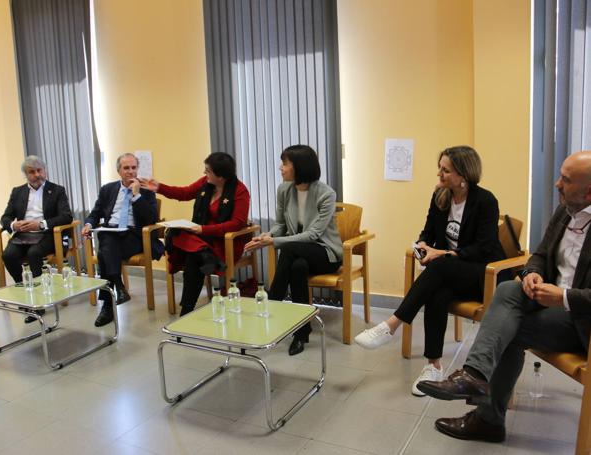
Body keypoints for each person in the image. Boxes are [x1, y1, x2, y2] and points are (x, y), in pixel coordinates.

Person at [416, 150, 591, 443]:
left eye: (566, 179)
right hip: (547, 301)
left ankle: (487, 417)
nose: (556, 184)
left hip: (580, 319)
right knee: (509, 288)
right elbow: (540, 254)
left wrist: (562, 296)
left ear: (589, 191)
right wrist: (533, 273)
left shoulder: (484, 200)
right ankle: (474, 380)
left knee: (508, 328)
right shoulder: (564, 211)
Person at [353, 146, 507, 396]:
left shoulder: (485, 201)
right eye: (440, 168)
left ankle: (391, 325)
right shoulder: (441, 196)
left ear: (463, 175)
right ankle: (433, 365)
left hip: (483, 274)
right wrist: (423, 247)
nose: (440, 174)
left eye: (446, 170)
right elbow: (428, 232)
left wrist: (445, 254)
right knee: (437, 294)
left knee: (441, 265)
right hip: (449, 272)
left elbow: (484, 248)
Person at [244, 145, 342, 356]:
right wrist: (269, 235)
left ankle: (270, 304)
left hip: (325, 253)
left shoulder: (326, 194)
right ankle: (301, 333)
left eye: (285, 163)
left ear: (300, 167)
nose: (281, 168)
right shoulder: (284, 190)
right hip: (298, 253)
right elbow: (280, 224)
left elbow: (314, 235)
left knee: (289, 250)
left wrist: (274, 242)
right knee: (297, 266)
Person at [139, 152, 250, 316]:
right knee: (177, 234)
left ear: (221, 176)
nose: (204, 174)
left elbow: (237, 223)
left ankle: (187, 308)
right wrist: (159, 187)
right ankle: (204, 256)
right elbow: (184, 193)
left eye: (208, 171)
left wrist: (204, 230)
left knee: (191, 254)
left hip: (223, 240)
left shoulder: (240, 191)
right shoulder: (205, 183)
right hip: (200, 238)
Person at [82, 153, 162, 327]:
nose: (131, 171)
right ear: (118, 170)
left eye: (134, 167)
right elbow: (95, 213)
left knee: (104, 250)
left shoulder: (146, 190)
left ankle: (108, 304)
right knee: (107, 242)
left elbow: (152, 219)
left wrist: (136, 195)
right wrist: (88, 224)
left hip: (134, 236)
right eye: (126, 168)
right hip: (112, 233)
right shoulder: (107, 189)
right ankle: (118, 287)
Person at [0, 155, 72, 323]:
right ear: (26, 174)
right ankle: (26, 290)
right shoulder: (17, 192)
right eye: (32, 172)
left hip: (46, 234)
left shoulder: (57, 190)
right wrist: (13, 225)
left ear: (45, 171)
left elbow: (66, 217)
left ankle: (38, 302)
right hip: (22, 234)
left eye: (40, 170)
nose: (37, 175)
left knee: (34, 253)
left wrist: (40, 225)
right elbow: (5, 217)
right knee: (8, 255)